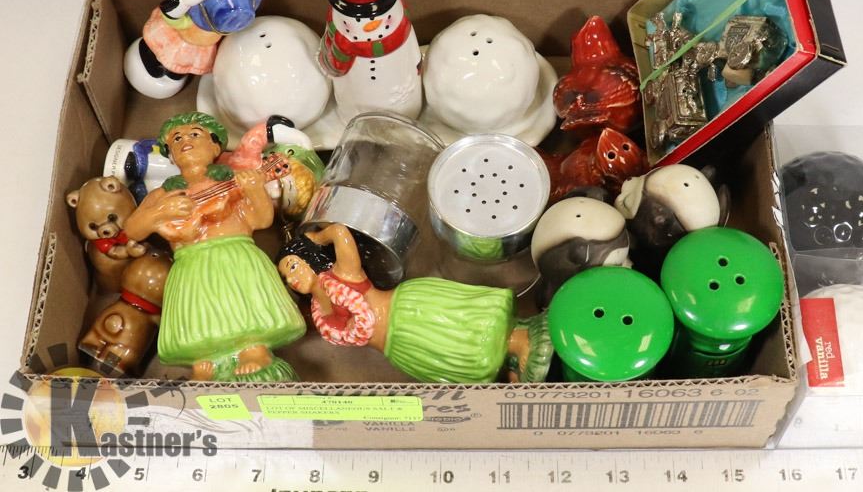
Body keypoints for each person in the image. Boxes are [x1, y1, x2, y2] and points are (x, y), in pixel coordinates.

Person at [124, 111, 305, 382]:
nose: (185, 140)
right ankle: (204, 360)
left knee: (243, 304)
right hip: (191, 261)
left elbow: (261, 220)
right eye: (176, 139)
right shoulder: (162, 194)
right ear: (170, 155)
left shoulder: (233, 182)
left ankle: (254, 350)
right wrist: (159, 213)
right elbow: (132, 229)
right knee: (200, 310)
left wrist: (255, 189)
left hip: (235, 253)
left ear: (216, 146)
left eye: (195, 134)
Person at [277, 224, 552, 384]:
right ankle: (509, 361)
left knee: (459, 329)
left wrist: (315, 237)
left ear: (309, 258)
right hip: (398, 346)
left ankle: (520, 340)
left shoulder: (341, 274)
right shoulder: (318, 311)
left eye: (293, 266)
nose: (292, 278)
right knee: (449, 353)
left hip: (407, 312)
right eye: (286, 277)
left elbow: (339, 232)